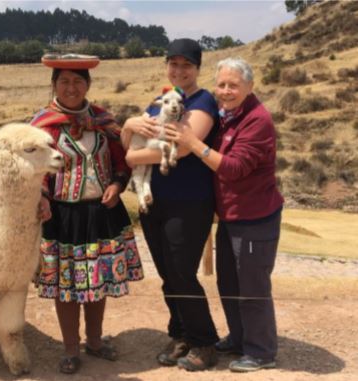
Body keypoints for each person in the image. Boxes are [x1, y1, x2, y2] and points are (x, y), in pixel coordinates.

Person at [165, 57, 284, 372]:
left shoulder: (257, 120)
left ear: (249, 86)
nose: (226, 91)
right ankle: (240, 338)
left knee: (252, 287)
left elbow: (234, 169)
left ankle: (261, 351)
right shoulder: (227, 114)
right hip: (232, 216)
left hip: (255, 218)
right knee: (229, 283)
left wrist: (193, 144)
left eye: (234, 85)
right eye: (221, 84)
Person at [31, 54, 144, 374]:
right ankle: (70, 348)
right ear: (53, 85)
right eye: (64, 81)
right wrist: (41, 194)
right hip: (63, 217)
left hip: (101, 213)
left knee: (98, 281)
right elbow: (35, 167)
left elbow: (123, 161)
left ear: (88, 85)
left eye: (78, 81)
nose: (71, 87)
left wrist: (118, 184)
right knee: (67, 286)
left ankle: (94, 341)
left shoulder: (103, 120)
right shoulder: (42, 125)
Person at [121, 38, 220, 371]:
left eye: (186, 65)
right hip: (156, 202)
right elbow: (132, 137)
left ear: (197, 69)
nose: (179, 70)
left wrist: (132, 155)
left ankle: (204, 342)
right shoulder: (158, 101)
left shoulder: (203, 101)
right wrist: (127, 126)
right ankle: (180, 334)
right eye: (174, 64)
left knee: (181, 272)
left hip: (189, 202)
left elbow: (183, 148)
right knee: (167, 273)